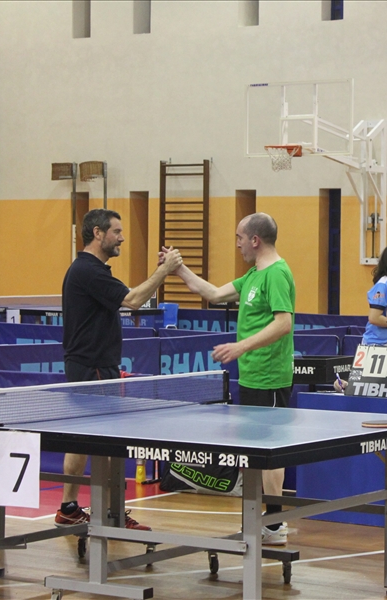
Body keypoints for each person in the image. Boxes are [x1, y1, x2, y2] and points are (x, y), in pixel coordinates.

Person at [169, 212, 295, 546]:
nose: (237, 244)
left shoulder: (277, 274)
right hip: (251, 377)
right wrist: (178, 268)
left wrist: (241, 346)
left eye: (240, 237)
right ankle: (261, 521)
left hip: (270, 377)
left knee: (270, 451)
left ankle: (274, 524)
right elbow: (212, 293)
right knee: (255, 450)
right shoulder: (253, 275)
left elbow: (284, 323)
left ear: (255, 239)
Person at [57, 208, 183, 530]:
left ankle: (69, 507)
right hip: (95, 369)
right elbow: (133, 300)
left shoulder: (87, 270)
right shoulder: (89, 271)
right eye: (116, 231)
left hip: (87, 367)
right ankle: (112, 512)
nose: (122, 238)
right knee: (110, 442)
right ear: (97, 233)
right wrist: (164, 270)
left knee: (80, 439)